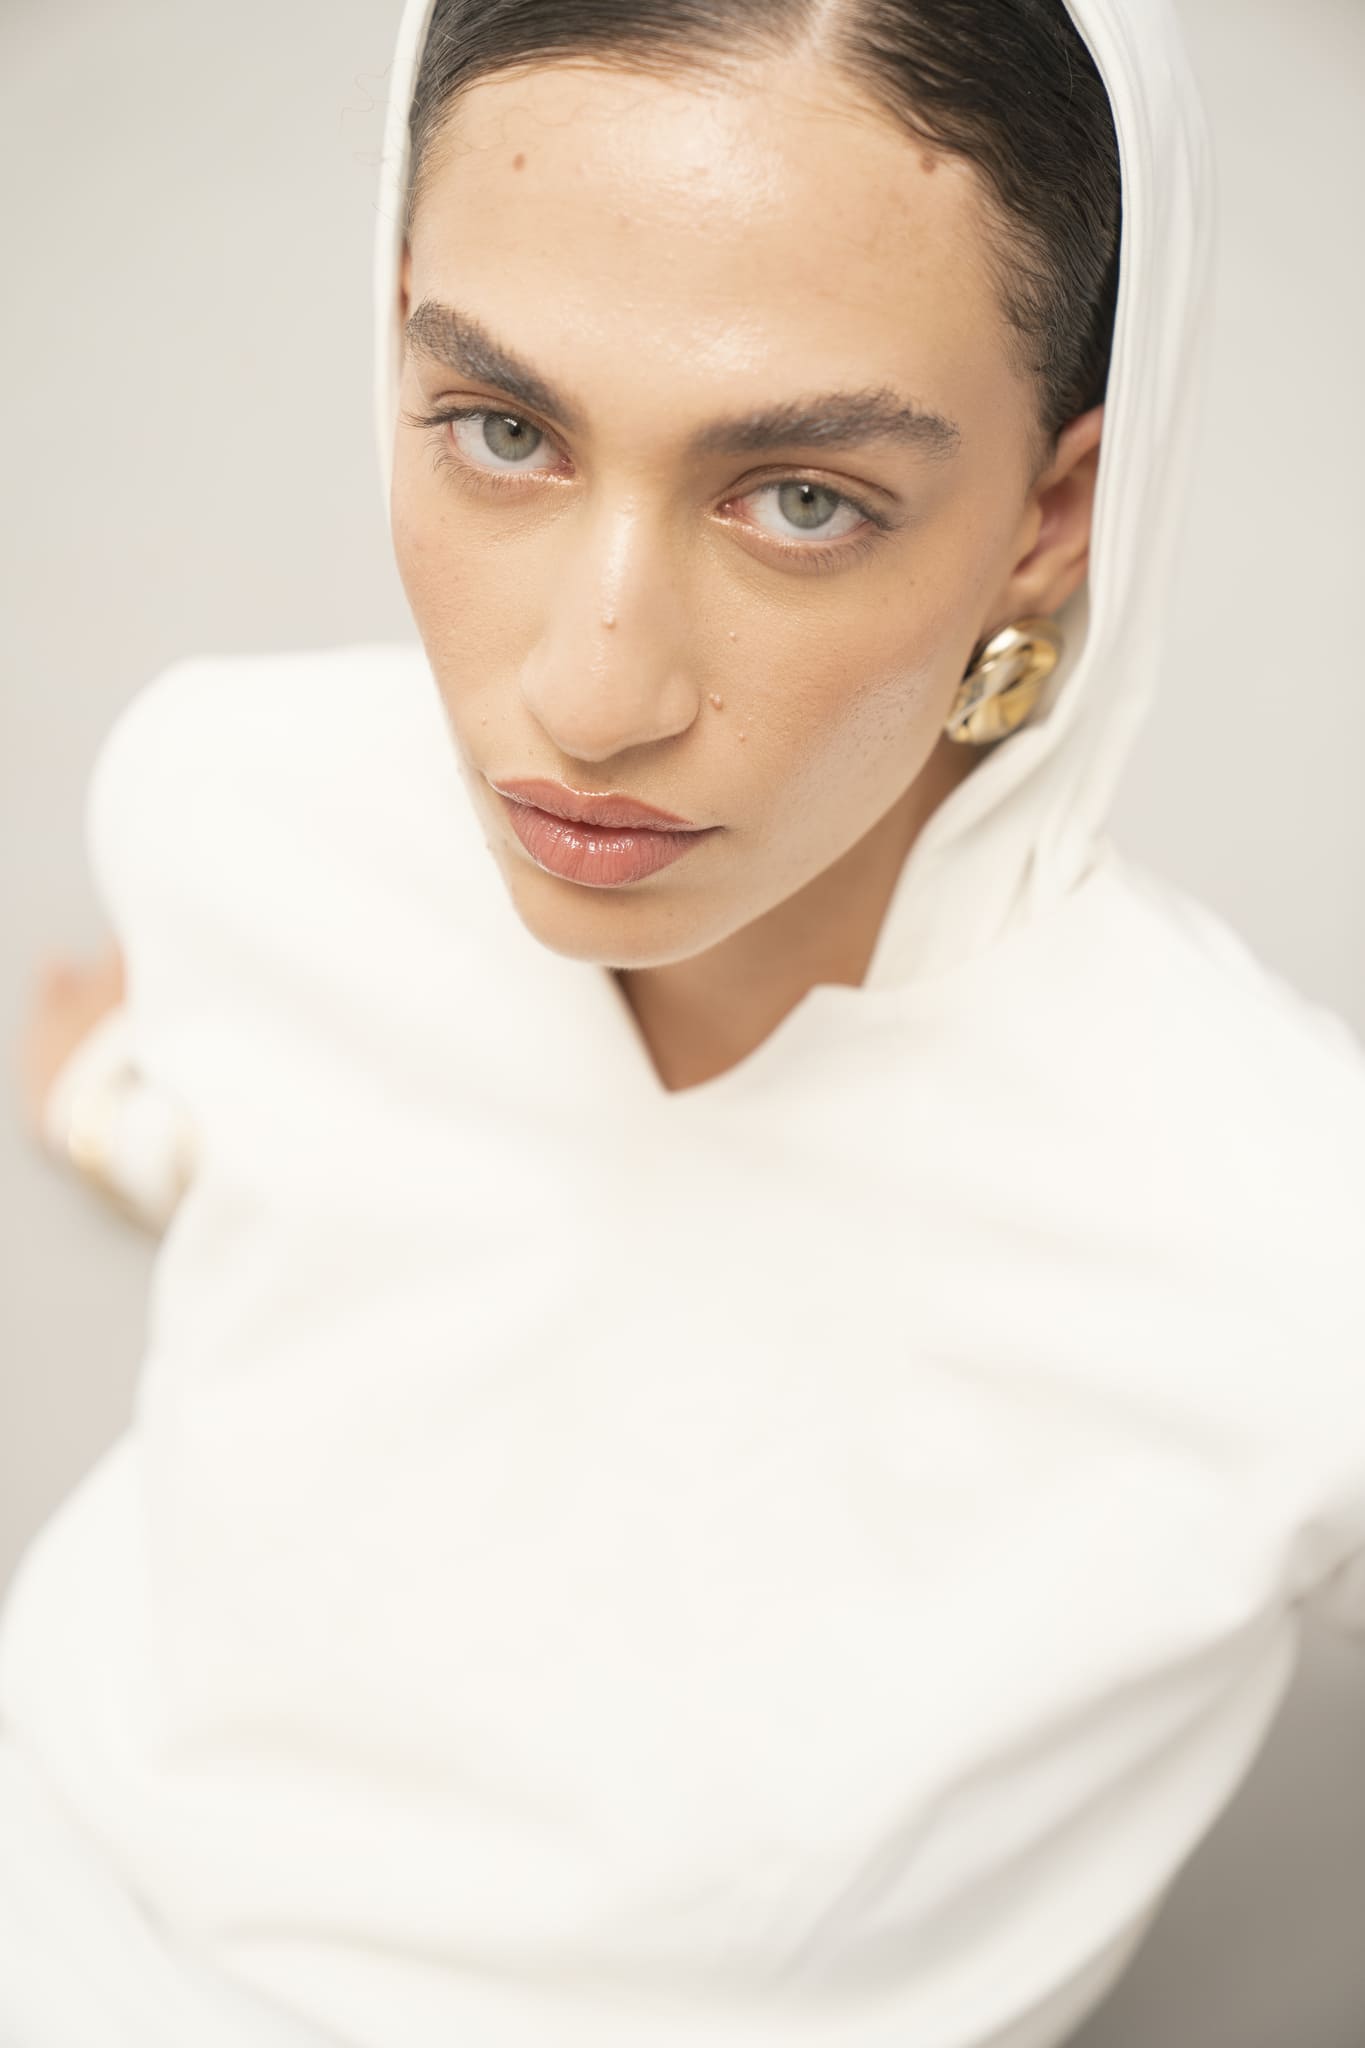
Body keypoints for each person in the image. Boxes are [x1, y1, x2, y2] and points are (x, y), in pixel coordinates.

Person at [3, 1, 1363, 2045]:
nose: (591, 690)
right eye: (503, 428)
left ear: (1045, 516)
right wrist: (136, 1108)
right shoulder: (231, 804)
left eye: (799, 497)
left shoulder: (1284, 1243)